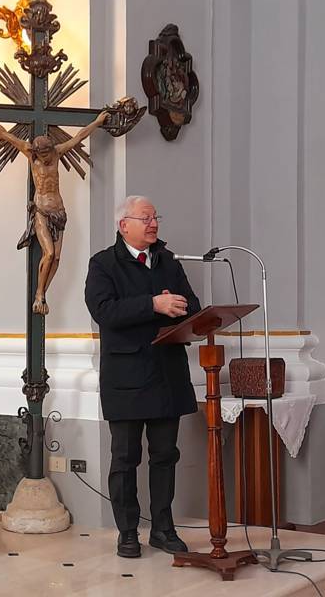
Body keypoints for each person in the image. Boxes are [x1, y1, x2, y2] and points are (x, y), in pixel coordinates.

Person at [84, 195, 201, 558]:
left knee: (166, 456)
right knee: (125, 458)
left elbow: (194, 307)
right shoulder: (103, 263)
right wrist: (154, 304)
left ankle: (164, 529)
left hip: (167, 374)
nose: (154, 224)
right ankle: (128, 532)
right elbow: (103, 311)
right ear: (124, 226)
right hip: (127, 377)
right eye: (146, 218)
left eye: (155, 218)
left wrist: (178, 307)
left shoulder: (168, 260)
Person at [0, 102, 108, 315]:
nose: (47, 157)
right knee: (48, 254)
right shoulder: (29, 153)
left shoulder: (57, 152)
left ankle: (42, 295)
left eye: (49, 153)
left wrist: (97, 122)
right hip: (41, 211)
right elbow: (2, 133)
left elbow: (79, 137)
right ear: (37, 151)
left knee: (56, 259)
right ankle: (39, 294)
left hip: (59, 212)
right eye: (44, 154)